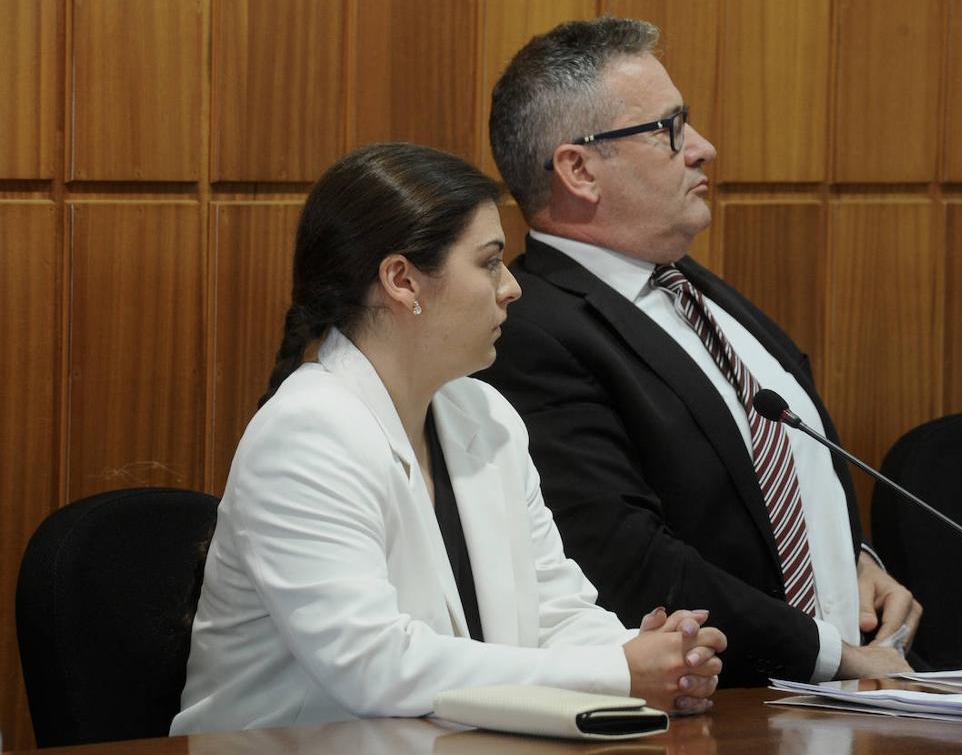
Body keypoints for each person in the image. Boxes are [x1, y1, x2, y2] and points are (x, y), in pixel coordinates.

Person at [172, 143, 726, 734]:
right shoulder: (305, 434)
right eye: (488, 263)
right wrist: (617, 672)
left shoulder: (484, 414)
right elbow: (375, 666)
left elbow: (555, 611)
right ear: (402, 280)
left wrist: (664, 659)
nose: (511, 287)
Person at [478, 17, 920, 687]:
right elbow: (626, 558)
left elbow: (774, 475)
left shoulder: (694, 289)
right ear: (579, 169)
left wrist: (852, 562)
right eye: (670, 130)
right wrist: (826, 653)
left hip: (844, 695)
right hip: (727, 707)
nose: (703, 148)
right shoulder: (530, 331)